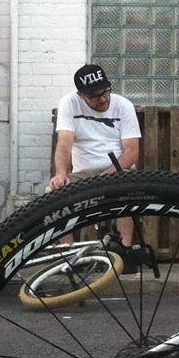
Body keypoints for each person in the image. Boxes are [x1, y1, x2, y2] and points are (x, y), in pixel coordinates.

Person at [48, 63, 141, 252]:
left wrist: (107, 174)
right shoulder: (69, 103)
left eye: (105, 92)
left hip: (117, 168)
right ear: (81, 95)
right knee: (53, 195)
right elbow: (64, 142)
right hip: (83, 173)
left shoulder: (124, 105)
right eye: (94, 96)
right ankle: (70, 252)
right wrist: (60, 174)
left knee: (126, 193)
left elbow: (132, 151)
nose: (102, 99)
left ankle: (126, 250)